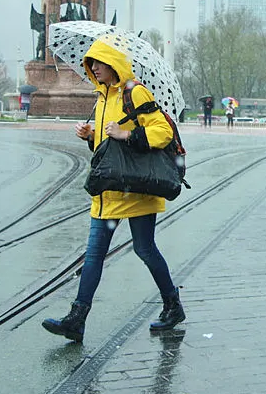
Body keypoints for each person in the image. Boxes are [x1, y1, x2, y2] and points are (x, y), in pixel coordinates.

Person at [42, 38, 185, 343]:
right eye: (90, 63)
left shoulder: (135, 91)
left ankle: (172, 305)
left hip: (136, 189)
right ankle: (76, 320)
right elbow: (106, 146)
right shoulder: (101, 97)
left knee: (145, 250)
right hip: (108, 189)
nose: (93, 68)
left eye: (98, 62)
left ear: (113, 64)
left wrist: (127, 133)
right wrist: (90, 135)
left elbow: (161, 132)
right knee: (93, 255)